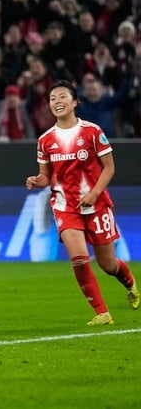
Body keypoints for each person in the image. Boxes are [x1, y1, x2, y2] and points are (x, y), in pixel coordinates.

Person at [25, 80, 139, 326]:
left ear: (75, 102)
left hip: (96, 204)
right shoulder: (45, 140)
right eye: (53, 98)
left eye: (62, 96)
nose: (57, 101)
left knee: (108, 265)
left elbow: (109, 168)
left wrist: (95, 194)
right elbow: (46, 175)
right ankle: (102, 312)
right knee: (78, 257)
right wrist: (38, 180)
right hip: (65, 206)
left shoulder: (92, 131)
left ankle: (129, 282)